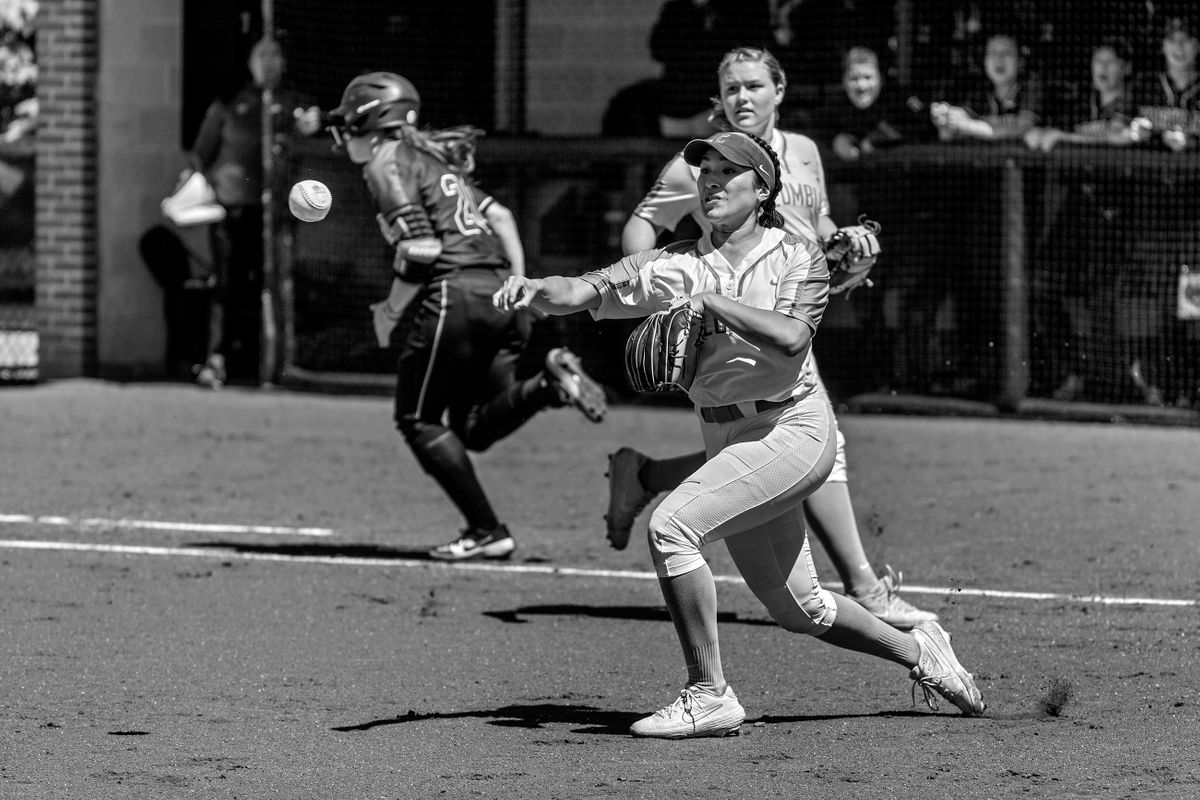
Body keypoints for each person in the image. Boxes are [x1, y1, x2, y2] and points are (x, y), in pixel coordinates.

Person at [494, 131, 985, 738]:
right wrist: (533, 290)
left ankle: (709, 694)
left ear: (763, 189)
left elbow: (792, 337)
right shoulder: (671, 261)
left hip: (792, 426)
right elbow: (579, 291)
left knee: (671, 526)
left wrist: (712, 304)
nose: (711, 182)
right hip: (728, 437)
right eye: (705, 172)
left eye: (729, 172)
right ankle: (924, 653)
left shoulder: (796, 254)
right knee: (800, 607)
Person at [611, 46, 937, 630]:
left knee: (760, 444)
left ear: (779, 91)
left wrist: (849, 241)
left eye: (754, 86)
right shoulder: (701, 166)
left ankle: (647, 476)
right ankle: (867, 590)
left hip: (795, 314)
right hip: (741, 326)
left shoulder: (805, 152)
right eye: (731, 88)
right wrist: (653, 292)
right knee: (813, 442)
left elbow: (820, 227)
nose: (742, 97)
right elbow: (644, 223)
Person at [325, 71, 608, 561]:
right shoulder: (433, 160)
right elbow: (500, 217)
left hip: (456, 295)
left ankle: (485, 529)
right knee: (473, 428)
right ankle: (549, 385)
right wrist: (518, 285)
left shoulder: (385, 159)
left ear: (368, 119)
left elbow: (420, 248)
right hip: (497, 292)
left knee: (417, 419)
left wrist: (391, 311)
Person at [187, 36, 321, 389]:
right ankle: (217, 361)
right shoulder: (231, 103)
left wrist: (311, 125)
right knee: (226, 284)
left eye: (275, 54)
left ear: (284, 62)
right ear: (250, 62)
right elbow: (201, 153)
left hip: (276, 214)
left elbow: (313, 136)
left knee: (275, 284)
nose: (268, 62)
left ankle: (276, 366)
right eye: (261, 55)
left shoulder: (294, 105)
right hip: (231, 211)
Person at [1023, 38, 1138, 403]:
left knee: (1101, 299)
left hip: (1117, 213)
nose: (1103, 70)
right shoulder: (1078, 102)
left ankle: (1110, 385)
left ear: (1126, 68)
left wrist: (1063, 138)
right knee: (1040, 286)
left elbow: (1119, 135)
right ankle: (1075, 369)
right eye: (1097, 61)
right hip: (1076, 211)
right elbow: (1040, 133)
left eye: (1111, 62)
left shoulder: (1133, 101)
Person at [649, 0, 771, 137]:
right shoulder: (677, 9)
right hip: (677, 101)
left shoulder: (731, 11)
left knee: (712, 152)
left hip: (711, 102)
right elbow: (658, 49)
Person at [930, 31, 1044, 142]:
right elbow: (950, 133)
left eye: (1007, 52)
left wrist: (968, 126)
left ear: (1021, 61)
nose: (999, 59)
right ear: (984, 61)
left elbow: (1022, 129)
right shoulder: (979, 90)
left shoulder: (1032, 86)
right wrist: (946, 119)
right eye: (993, 52)